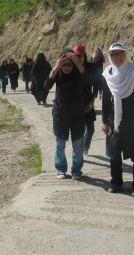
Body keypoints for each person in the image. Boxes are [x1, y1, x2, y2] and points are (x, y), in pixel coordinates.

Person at [101, 42, 134, 198]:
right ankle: (116, 183)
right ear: (109, 56)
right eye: (113, 54)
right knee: (114, 155)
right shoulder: (107, 73)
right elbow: (106, 99)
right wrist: (104, 121)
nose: (117, 57)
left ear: (125, 54)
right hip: (114, 121)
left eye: (120, 53)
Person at [44, 48, 86, 180]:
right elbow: (46, 86)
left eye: (70, 64)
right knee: (60, 143)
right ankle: (60, 169)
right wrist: (56, 67)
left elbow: (88, 78)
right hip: (60, 113)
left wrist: (76, 61)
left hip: (77, 114)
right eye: (64, 64)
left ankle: (77, 170)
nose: (67, 67)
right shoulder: (57, 72)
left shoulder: (78, 73)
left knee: (78, 144)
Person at [72, 43, 102, 156]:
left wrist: (93, 99)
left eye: (80, 56)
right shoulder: (71, 67)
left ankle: (85, 147)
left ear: (84, 55)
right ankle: (78, 150)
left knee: (90, 130)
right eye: (76, 56)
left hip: (88, 102)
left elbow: (97, 83)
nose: (78, 58)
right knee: (78, 131)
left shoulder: (90, 67)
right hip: (75, 104)